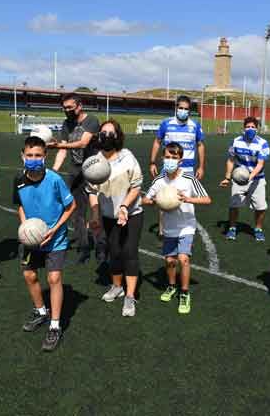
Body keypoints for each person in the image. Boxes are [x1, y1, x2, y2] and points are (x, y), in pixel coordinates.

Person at [13, 136, 76, 351]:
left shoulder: (55, 180)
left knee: (54, 277)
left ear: (45, 156)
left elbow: (71, 206)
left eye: (38, 155)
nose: (33, 159)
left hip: (55, 238)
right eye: (29, 155)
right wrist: (25, 226)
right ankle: (41, 311)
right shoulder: (18, 179)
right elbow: (20, 205)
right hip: (31, 238)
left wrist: (54, 230)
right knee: (30, 275)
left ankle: (55, 326)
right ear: (22, 156)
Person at [143, 142, 212, 314]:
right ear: (162, 158)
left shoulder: (189, 179)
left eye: (174, 158)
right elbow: (145, 200)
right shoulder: (159, 180)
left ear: (180, 160)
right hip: (169, 228)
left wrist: (188, 199)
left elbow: (207, 199)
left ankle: (184, 292)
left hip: (187, 226)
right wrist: (156, 201)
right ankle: (172, 286)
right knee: (169, 261)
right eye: (167, 157)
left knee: (183, 259)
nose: (170, 160)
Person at [87, 120, 144, 317]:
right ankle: (117, 286)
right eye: (103, 132)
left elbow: (136, 185)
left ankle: (129, 296)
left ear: (118, 136)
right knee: (114, 252)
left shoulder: (128, 157)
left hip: (131, 213)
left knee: (129, 252)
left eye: (111, 133)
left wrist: (124, 206)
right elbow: (91, 191)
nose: (106, 136)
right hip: (108, 216)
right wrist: (95, 214)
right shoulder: (94, 161)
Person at [49, 93, 101, 264]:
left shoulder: (91, 120)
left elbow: (83, 143)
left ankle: (101, 246)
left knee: (97, 210)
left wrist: (59, 144)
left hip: (95, 170)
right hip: (75, 172)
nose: (67, 111)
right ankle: (84, 247)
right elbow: (63, 150)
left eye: (70, 107)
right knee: (77, 212)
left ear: (80, 106)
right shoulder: (66, 124)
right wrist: (54, 170)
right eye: (64, 108)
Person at [149, 95, 205, 235]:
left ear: (189, 111)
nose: (183, 111)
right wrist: (152, 162)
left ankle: (185, 231)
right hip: (168, 167)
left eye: (186, 109)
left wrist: (201, 166)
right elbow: (157, 142)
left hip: (187, 169)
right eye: (180, 108)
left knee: (186, 202)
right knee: (163, 198)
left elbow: (200, 145)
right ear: (176, 108)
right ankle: (162, 232)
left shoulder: (195, 126)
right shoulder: (166, 123)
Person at [219, 117, 270, 242]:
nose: (250, 129)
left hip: (257, 179)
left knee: (260, 207)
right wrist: (227, 177)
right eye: (248, 127)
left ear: (257, 129)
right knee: (234, 205)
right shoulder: (236, 141)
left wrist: (250, 177)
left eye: (253, 127)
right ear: (243, 128)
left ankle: (258, 229)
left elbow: (260, 164)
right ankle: (232, 228)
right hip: (238, 178)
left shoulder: (263, 143)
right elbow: (231, 160)